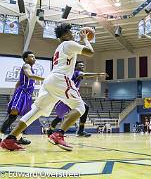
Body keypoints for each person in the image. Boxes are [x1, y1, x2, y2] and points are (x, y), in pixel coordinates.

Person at [0, 23, 94, 151]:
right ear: (65, 34)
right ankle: (58, 134)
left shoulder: (59, 48)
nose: (73, 34)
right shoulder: (68, 44)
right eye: (71, 32)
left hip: (51, 80)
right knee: (80, 107)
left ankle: (10, 139)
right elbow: (90, 52)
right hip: (61, 79)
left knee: (37, 110)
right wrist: (85, 40)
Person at [47, 61, 106, 137]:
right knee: (59, 117)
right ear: (75, 67)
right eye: (80, 65)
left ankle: (80, 130)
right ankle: (50, 130)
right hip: (67, 96)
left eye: (83, 65)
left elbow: (81, 76)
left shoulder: (77, 75)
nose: (82, 66)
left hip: (73, 96)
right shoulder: (76, 72)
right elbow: (83, 74)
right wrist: (98, 74)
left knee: (85, 108)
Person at [0, 51, 44, 145]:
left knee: (24, 118)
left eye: (34, 56)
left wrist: (13, 97)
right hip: (22, 93)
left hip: (27, 96)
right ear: (26, 59)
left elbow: (18, 83)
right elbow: (30, 75)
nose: (34, 58)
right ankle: (1, 137)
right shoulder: (26, 66)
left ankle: (17, 137)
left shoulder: (30, 68)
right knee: (12, 116)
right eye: (31, 57)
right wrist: (45, 79)